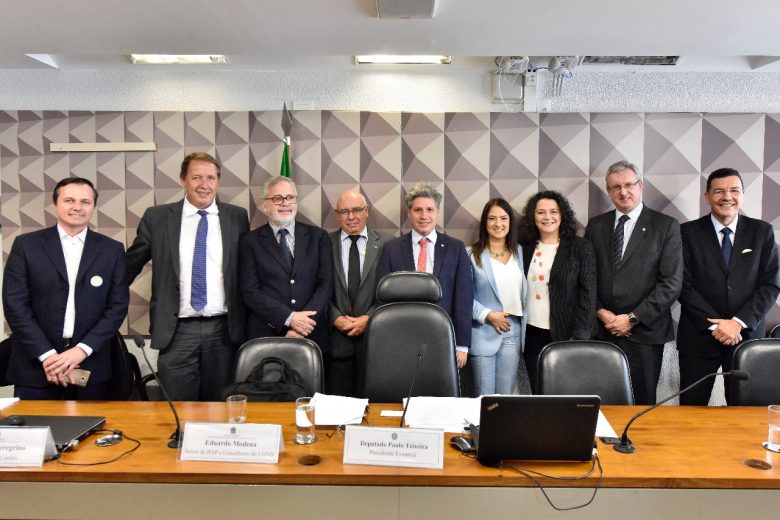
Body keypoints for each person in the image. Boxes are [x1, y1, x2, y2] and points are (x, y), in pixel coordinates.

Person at [126, 152, 249, 401]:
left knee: (220, 405)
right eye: (196, 177)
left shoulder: (237, 217)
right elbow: (130, 265)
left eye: (210, 178)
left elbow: (248, 268)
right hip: (176, 331)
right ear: (183, 179)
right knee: (177, 408)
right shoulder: (158, 218)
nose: (204, 185)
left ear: (218, 181)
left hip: (223, 331)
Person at [3, 178, 128, 399]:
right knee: (33, 422)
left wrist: (80, 351)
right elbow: (15, 305)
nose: (77, 207)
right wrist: (48, 356)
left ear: (93, 206)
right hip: (36, 366)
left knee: (91, 422)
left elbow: (117, 307)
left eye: (85, 202)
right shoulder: (26, 245)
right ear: (55, 203)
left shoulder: (112, 250)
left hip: (88, 365)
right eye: (69, 200)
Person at [677, 167, 780, 405]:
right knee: (691, 412)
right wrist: (717, 326)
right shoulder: (687, 232)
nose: (727, 197)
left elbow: (770, 284)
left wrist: (737, 323)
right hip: (699, 338)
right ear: (707, 196)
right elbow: (682, 285)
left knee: (745, 413)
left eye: (734, 190)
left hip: (746, 339)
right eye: (719, 191)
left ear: (743, 194)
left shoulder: (761, 231)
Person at [584, 160, 682, 405]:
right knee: (603, 403)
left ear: (641, 185)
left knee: (642, 404)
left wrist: (631, 319)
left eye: (629, 185)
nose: (623, 192)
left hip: (645, 334)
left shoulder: (665, 226)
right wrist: (601, 312)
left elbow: (670, 283)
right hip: (603, 331)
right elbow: (587, 277)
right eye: (616, 187)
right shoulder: (596, 226)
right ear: (608, 191)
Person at [376, 183, 473, 370]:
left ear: (438, 212)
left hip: (443, 337)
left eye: (429, 209)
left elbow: (463, 299)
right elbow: (382, 299)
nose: (424, 216)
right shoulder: (391, 249)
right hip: (401, 337)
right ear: (409, 213)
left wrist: (461, 344)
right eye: (418, 210)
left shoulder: (456, 248)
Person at [239, 176, 333, 355]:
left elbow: (326, 284)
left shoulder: (318, 237)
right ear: (264, 205)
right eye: (277, 198)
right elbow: (250, 291)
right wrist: (289, 319)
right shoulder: (250, 242)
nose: (285, 203)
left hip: (312, 332)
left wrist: (303, 324)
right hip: (268, 333)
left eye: (290, 197)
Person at [519, 191, 597, 391]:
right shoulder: (524, 248)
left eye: (554, 211)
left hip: (566, 333)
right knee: (539, 389)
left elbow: (588, 295)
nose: (548, 217)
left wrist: (579, 336)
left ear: (563, 215)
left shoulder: (580, 247)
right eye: (541, 212)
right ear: (533, 216)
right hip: (531, 333)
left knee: (566, 391)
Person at [328, 189, 392, 396]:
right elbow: (316, 288)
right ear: (337, 214)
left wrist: (370, 317)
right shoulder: (324, 243)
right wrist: (335, 318)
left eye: (356, 210)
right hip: (336, 342)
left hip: (375, 341)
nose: (351, 217)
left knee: (375, 403)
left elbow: (393, 291)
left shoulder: (388, 243)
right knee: (339, 406)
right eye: (344, 211)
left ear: (367, 210)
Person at [467, 198, 529, 395]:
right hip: (483, 330)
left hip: (513, 330)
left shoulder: (519, 252)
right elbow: (463, 297)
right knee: (484, 396)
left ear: (510, 222)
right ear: (485, 223)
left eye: (503, 218)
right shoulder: (471, 254)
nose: (498, 223)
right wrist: (488, 315)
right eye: (492, 218)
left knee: (505, 396)